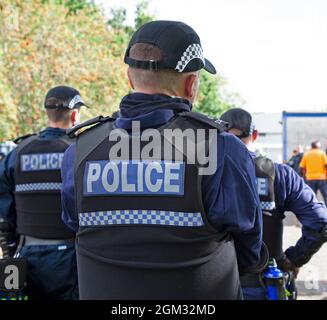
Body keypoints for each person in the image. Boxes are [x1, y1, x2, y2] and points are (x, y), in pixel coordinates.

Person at [61, 20, 267, 300]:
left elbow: (75, 226)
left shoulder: (79, 151)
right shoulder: (220, 149)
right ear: (192, 84)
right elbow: (249, 251)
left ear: (129, 78)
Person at [220, 108, 327, 300]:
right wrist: (294, 258)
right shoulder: (281, 174)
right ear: (254, 135)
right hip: (267, 284)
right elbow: (321, 222)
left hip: (215, 285)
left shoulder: (202, 175)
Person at [0, 86, 87, 299]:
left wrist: (10, 250)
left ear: (46, 112)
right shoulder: (81, 151)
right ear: (75, 114)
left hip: (25, 256)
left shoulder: (17, 153)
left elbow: (4, 210)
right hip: (71, 258)